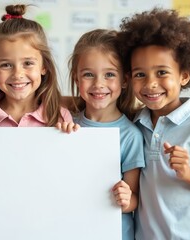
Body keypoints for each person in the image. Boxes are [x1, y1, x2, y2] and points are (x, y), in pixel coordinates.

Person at [118, 8, 190, 239]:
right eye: (140, 74)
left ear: (184, 75)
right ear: (129, 78)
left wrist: (188, 173)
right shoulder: (135, 123)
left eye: (162, 72)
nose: (151, 84)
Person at [57, 29, 145, 240]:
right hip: (72, 229)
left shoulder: (130, 135)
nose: (98, 84)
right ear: (77, 79)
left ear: (124, 80)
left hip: (114, 233)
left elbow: (134, 200)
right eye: (88, 74)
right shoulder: (65, 123)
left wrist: (125, 199)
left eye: (109, 74)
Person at [0, 4, 72, 133]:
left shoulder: (61, 118)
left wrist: (69, 135)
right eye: (6, 65)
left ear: (44, 66)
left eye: (28, 63)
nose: (17, 74)